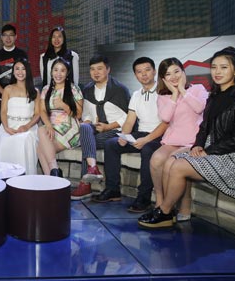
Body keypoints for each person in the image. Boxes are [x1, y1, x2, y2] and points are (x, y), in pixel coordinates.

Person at [139, 47, 235, 229]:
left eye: (224, 67)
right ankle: (166, 210)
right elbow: (203, 127)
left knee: (177, 166)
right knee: (171, 161)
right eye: (214, 67)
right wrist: (198, 145)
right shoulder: (215, 96)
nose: (217, 72)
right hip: (215, 151)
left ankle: (165, 211)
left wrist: (207, 150)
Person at [93, 57, 168, 212]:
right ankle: (112, 189)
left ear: (154, 71)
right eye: (139, 72)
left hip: (161, 136)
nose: (144, 74)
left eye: (147, 70)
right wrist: (123, 136)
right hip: (141, 133)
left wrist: (146, 139)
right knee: (111, 144)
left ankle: (144, 197)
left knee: (147, 149)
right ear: (135, 75)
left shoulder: (164, 92)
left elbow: (165, 123)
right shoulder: (136, 94)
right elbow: (130, 120)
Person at [147, 57, 208, 222]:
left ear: (183, 71)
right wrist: (174, 94)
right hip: (173, 140)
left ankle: (183, 204)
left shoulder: (198, 89)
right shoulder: (163, 96)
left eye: (176, 71)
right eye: (168, 74)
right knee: (156, 159)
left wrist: (182, 90)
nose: (173, 77)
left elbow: (199, 108)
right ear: (163, 78)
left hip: (193, 142)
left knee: (175, 162)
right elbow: (166, 118)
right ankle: (160, 201)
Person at [71, 55, 130, 200]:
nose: (96, 72)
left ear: (108, 70)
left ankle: (85, 185)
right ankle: (92, 168)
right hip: (96, 129)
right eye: (92, 69)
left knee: (86, 142)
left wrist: (108, 126)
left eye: (99, 68)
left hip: (116, 131)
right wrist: (87, 121)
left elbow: (129, 117)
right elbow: (87, 114)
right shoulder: (87, 89)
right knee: (84, 129)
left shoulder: (119, 89)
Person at [0, 57, 41, 175]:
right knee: (5, 140)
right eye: (17, 69)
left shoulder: (35, 91)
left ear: (28, 71)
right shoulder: (8, 89)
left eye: (23, 69)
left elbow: (37, 114)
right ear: (13, 72)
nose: (20, 72)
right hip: (9, 125)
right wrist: (6, 127)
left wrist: (26, 126)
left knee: (24, 140)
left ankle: (23, 178)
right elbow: (3, 111)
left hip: (28, 128)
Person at [37, 57, 83, 176]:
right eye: (56, 70)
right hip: (52, 127)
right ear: (51, 72)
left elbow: (78, 115)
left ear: (67, 73)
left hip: (70, 126)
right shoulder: (46, 89)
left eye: (62, 70)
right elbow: (42, 111)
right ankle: (54, 174)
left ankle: (53, 174)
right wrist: (48, 125)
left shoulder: (74, 89)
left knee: (40, 145)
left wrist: (64, 105)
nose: (58, 74)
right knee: (40, 141)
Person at [0, 24, 28, 138]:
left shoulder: (22, 54)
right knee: (0, 123)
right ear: (1, 37)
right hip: (0, 97)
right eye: (5, 35)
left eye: (11, 35)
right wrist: (3, 92)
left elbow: (26, 74)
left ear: (16, 37)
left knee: (19, 123)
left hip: (18, 97)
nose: (8, 38)